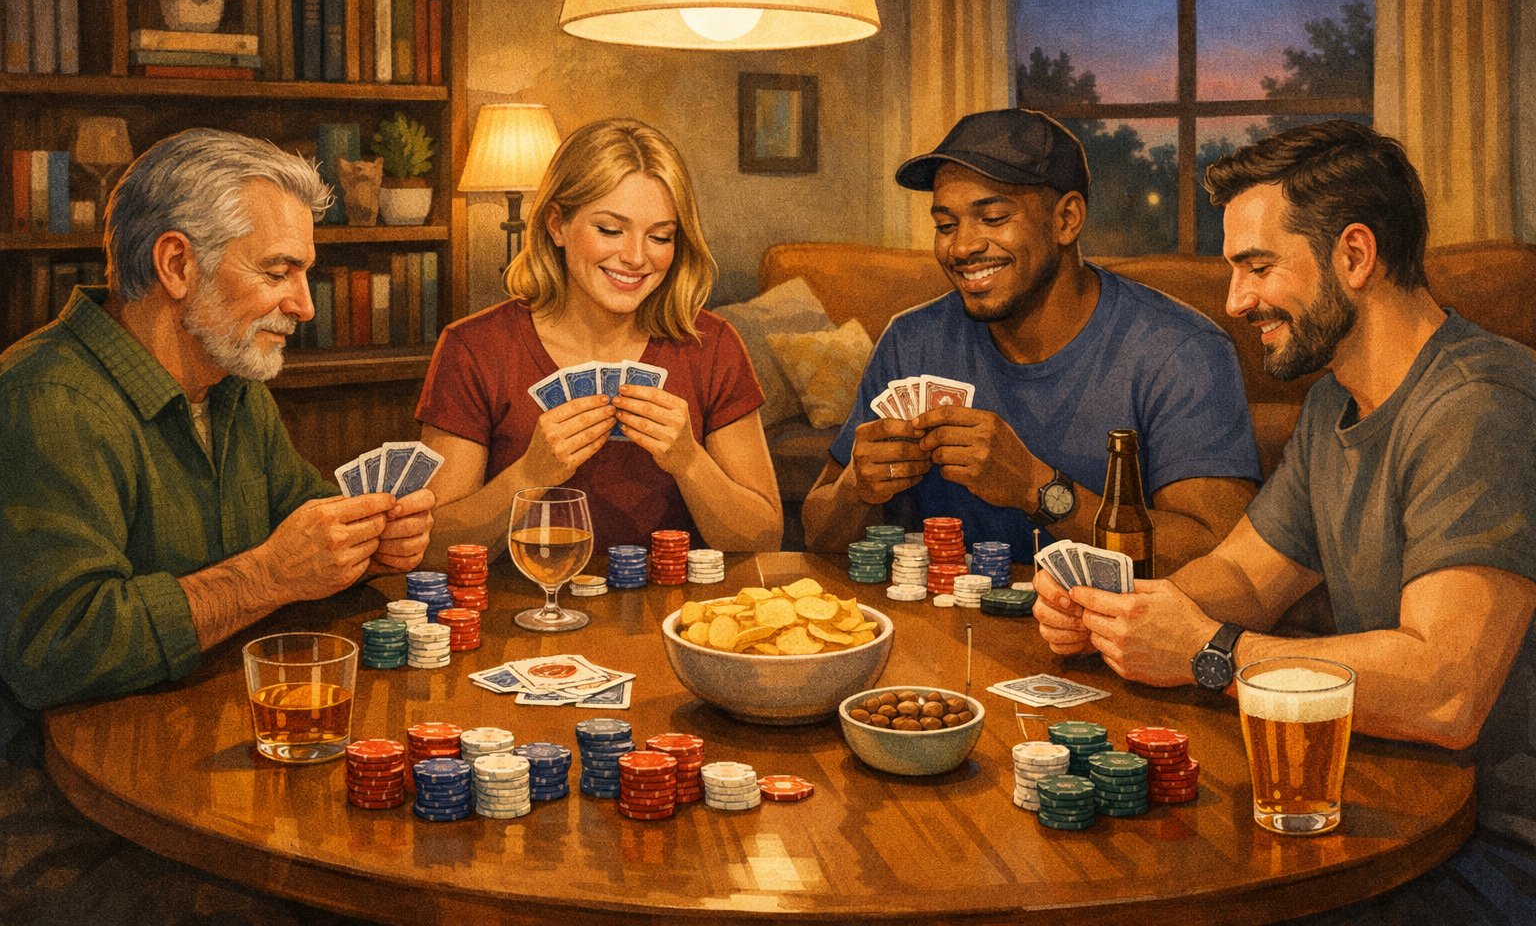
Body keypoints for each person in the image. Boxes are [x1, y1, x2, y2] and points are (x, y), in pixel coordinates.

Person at [1034, 119, 1536, 921]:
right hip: (1384, 807)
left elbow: (1447, 690)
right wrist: (1119, 613)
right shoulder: (1337, 398)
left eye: (1258, 267)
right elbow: (1245, 573)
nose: (1236, 301)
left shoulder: (1479, 405)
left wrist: (1206, 653)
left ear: (1355, 256)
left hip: (1489, 850)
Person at [0, 127, 433, 923]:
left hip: (207, 773)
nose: (304, 305)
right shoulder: (45, 399)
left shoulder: (232, 384)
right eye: (278, 271)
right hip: (63, 821)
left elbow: (302, 520)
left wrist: (371, 540)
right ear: (176, 264)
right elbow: (58, 649)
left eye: (305, 273)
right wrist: (269, 575)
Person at [802, 108, 1260, 568]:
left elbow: (1218, 557)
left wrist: (1035, 487)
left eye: (993, 217)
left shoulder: (1180, 349)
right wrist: (855, 489)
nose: (961, 247)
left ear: (1067, 220)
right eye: (945, 225)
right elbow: (818, 533)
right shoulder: (910, 340)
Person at [416, 117, 781, 558]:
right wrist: (528, 475)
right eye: (610, 230)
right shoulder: (475, 348)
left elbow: (765, 538)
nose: (636, 257)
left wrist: (690, 461)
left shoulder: (712, 345)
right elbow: (430, 549)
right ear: (557, 224)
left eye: (660, 236)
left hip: (675, 599)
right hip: (524, 599)